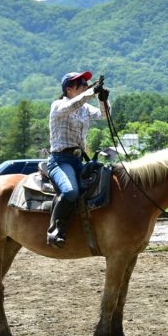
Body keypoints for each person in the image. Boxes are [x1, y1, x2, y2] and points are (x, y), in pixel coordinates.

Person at [46, 71, 110, 247]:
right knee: (70, 191)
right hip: (60, 160)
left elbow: (104, 115)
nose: (85, 85)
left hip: (78, 161)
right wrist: (92, 92)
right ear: (69, 88)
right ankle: (55, 231)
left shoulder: (85, 108)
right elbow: (73, 105)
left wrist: (103, 99)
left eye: (85, 83)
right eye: (81, 83)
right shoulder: (58, 105)